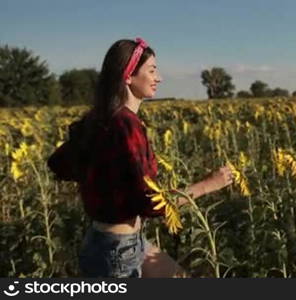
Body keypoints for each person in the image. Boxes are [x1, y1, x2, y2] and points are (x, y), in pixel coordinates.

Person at [47, 38, 233, 278]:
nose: (159, 78)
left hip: (111, 241)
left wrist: (101, 180)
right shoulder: (126, 125)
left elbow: (58, 164)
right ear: (128, 76)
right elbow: (151, 203)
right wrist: (209, 184)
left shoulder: (101, 118)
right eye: (152, 70)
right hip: (117, 251)